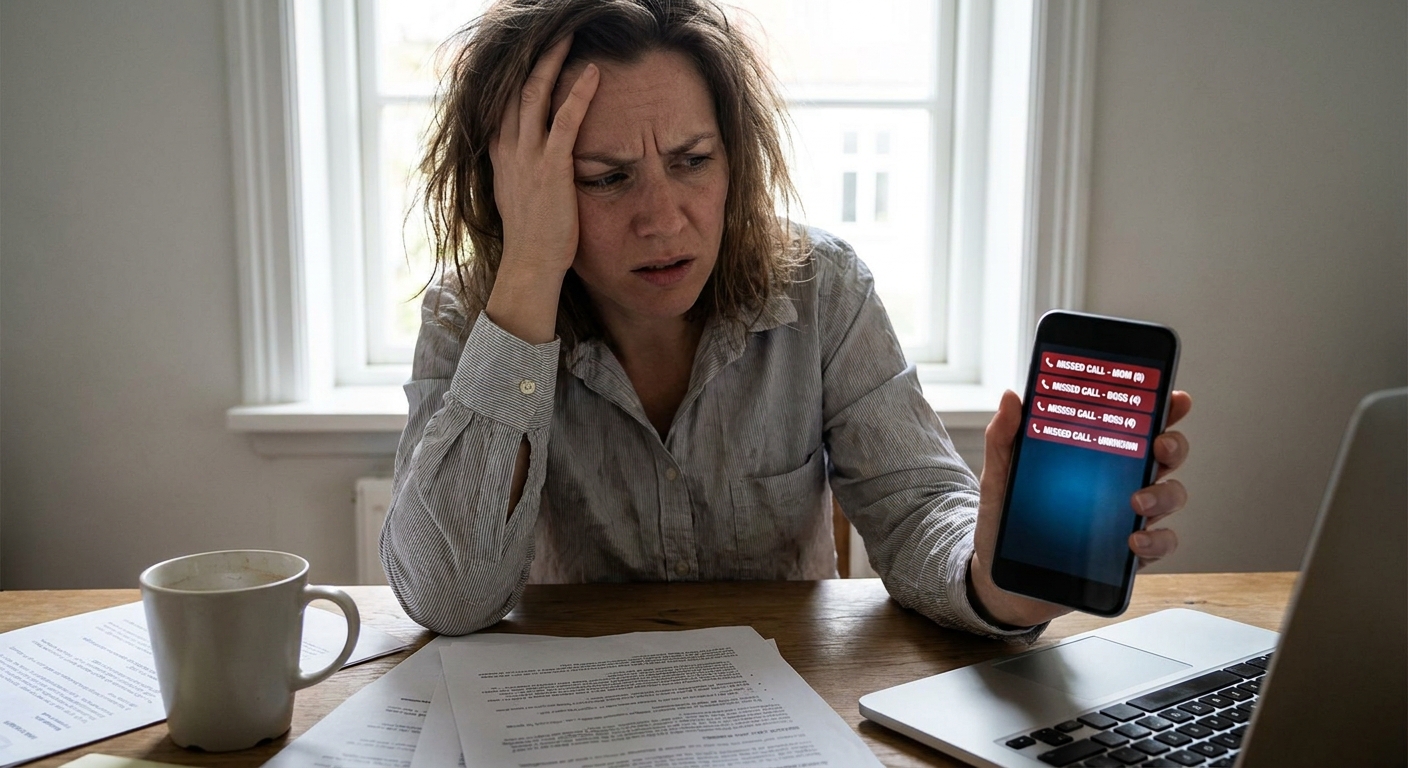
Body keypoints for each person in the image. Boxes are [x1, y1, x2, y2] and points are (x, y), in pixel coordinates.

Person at [380, 0, 1191, 639]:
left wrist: (996, 576)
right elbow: (448, 598)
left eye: (692, 161)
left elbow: (917, 514)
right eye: (605, 178)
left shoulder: (821, 287)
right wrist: (528, 271)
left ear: (737, 156)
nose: (663, 220)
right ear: (522, 187)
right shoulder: (473, 313)